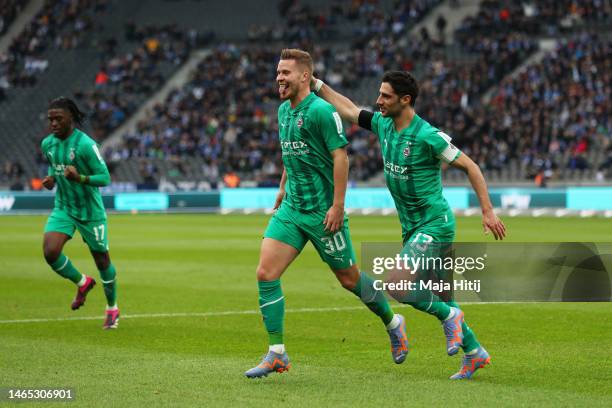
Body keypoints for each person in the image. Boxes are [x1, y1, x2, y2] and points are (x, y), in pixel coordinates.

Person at [312, 71, 506, 379]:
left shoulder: (428, 136)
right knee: (443, 298)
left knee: (396, 283)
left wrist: (488, 211)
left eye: (386, 96)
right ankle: (475, 354)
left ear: (406, 100)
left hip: (435, 224)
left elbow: (471, 166)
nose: (379, 101)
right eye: (379, 94)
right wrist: (318, 86)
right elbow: (349, 110)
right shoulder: (383, 125)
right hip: (413, 228)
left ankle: (451, 318)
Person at [245, 50, 408, 378]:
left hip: (323, 213)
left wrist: (337, 206)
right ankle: (277, 352)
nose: (279, 78)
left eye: (286, 73)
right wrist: (281, 188)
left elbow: (340, 158)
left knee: (349, 279)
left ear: (304, 76)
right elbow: (292, 155)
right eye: (278, 72)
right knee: (266, 272)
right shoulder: (282, 112)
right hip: (292, 209)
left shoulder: (322, 112)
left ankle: (393, 321)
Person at [41, 97, 119, 329]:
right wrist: (51, 178)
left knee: (102, 259)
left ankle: (112, 308)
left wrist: (80, 178)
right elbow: (53, 163)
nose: (53, 123)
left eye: (58, 119)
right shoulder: (48, 144)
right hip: (64, 207)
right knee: (50, 252)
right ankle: (82, 282)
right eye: (50, 119)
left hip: (89, 211)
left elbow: (105, 178)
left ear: (71, 119)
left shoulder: (85, 145)